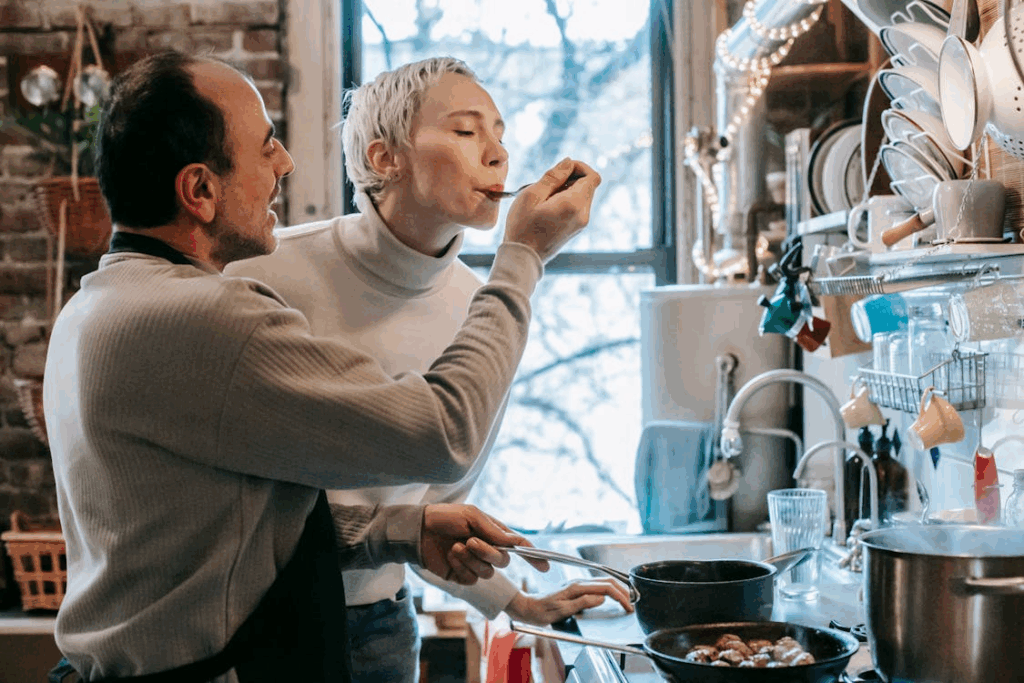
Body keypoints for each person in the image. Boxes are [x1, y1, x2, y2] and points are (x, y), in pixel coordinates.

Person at [42, 50, 600, 683]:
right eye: (265, 146)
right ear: (199, 190)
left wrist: (398, 532)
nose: (287, 162)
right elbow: (443, 436)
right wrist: (524, 254)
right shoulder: (210, 314)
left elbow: (222, 532)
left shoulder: (97, 304)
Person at [226, 56, 632, 683]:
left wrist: (516, 602)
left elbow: (438, 509)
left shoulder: (488, 305)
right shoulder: (263, 276)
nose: (497, 153)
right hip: (258, 631)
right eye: (467, 132)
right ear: (386, 158)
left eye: (499, 133)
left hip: (385, 631)